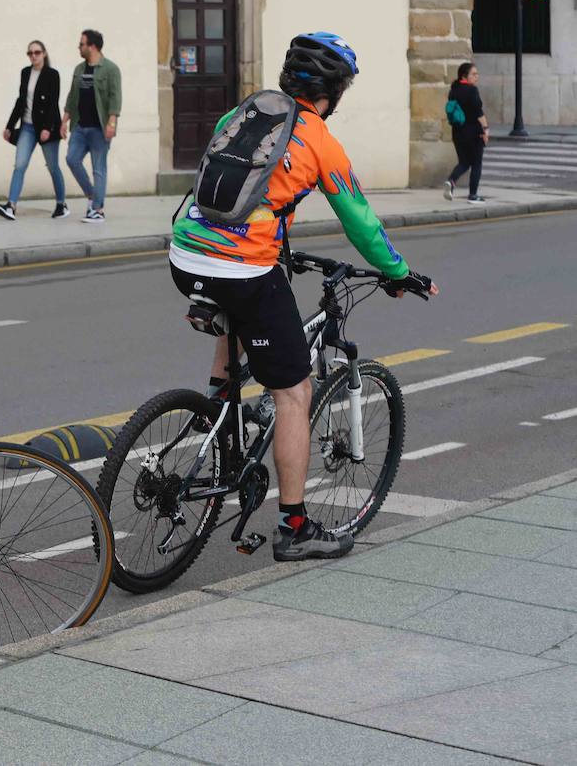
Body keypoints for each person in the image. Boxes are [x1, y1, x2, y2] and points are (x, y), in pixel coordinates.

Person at [168, 32, 439, 562]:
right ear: (332, 91)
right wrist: (401, 272)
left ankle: (218, 407)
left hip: (183, 254)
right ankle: (294, 527)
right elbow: (359, 220)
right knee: (294, 391)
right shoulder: (318, 139)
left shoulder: (245, 112)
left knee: (239, 317)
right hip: (240, 269)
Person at [0, 40, 66, 220]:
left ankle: (61, 205)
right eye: (30, 53)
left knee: (53, 167)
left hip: (45, 128)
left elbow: (53, 103)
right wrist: (10, 126)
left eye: (37, 52)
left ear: (44, 54)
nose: (33, 56)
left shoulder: (52, 74)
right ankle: (11, 206)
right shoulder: (25, 73)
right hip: (27, 127)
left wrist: (48, 128)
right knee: (19, 165)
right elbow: (21, 101)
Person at [62, 28, 122, 223]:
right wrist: (64, 122)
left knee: (99, 168)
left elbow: (115, 98)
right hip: (80, 126)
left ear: (92, 46)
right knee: (72, 159)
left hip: (99, 127)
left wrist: (111, 122)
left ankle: (98, 210)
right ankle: (92, 195)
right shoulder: (79, 69)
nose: (79, 47)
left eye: (81, 44)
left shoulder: (111, 69)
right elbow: (72, 97)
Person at [445, 61, 489, 204]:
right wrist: (486, 130)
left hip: (458, 132)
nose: (477, 77)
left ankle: (451, 181)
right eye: (474, 74)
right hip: (474, 132)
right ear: (465, 75)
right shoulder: (471, 90)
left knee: (464, 162)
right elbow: (478, 112)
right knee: (476, 163)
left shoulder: (454, 90)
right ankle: (473, 195)